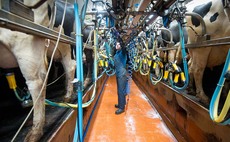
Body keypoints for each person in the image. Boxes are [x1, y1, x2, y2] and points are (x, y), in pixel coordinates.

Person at [114, 41, 129, 115]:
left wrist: (122, 40)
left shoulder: (122, 53)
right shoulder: (117, 53)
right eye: (116, 44)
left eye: (118, 44)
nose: (117, 45)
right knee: (119, 90)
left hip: (122, 74)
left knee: (121, 91)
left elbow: (124, 47)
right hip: (118, 74)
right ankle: (121, 104)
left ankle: (121, 108)